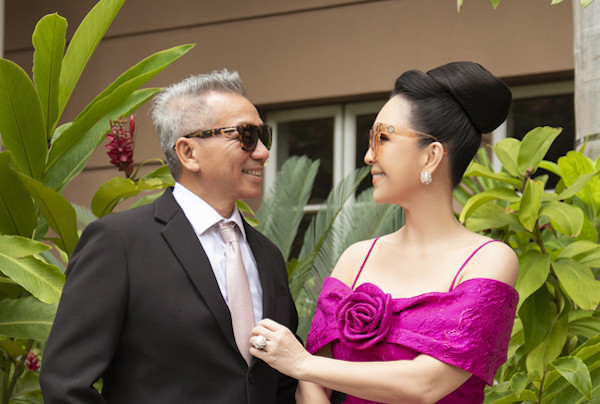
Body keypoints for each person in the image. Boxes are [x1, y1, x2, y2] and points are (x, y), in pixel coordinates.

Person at [248, 61, 519, 404]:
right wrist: (307, 369)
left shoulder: (490, 260)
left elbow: (427, 384)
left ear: (431, 156)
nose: (368, 156)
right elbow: (312, 385)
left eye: (382, 139)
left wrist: (302, 363)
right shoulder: (356, 257)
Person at [40, 69, 298, 403]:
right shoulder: (119, 243)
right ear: (188, 152)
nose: (262, 152)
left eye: (265, 136)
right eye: (247, 136)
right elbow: (65, 385)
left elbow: (281, 383)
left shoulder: (267, 254)